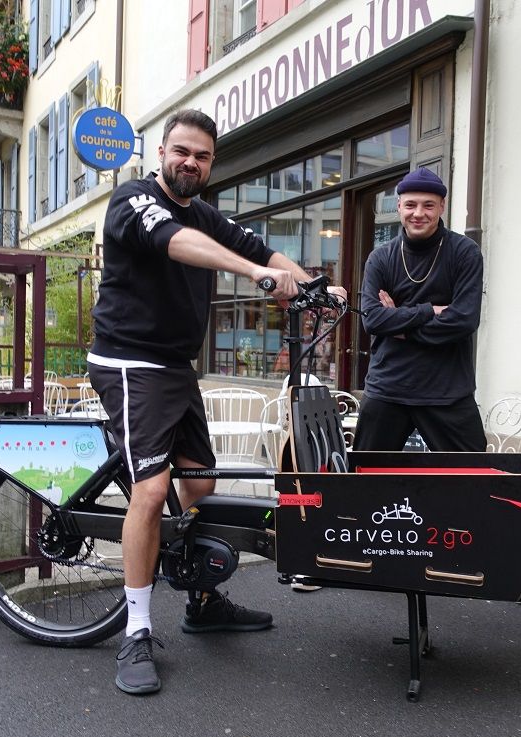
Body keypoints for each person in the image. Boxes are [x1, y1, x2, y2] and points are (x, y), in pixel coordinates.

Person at [87, 108, 345, 695]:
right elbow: (178, 244)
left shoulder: (205, 213)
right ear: (161, 153)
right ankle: (136, 630)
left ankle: (201, 601)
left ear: (211, 164)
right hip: (130, 363)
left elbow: (261, 249)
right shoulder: (134, 200)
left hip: (175, 369)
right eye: (181, 151)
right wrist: (254, 274)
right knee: (152, 489)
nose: (191, 162)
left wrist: (313, 287)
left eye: (202, 156)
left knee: (199, 484)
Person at [352, 167, 521, 618]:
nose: (419, 213)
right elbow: (372, 319)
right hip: (388, 388)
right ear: (398, 206)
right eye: (411, 204)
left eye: (428, 205)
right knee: (364, 482)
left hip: (447, 392)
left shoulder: (464, 253)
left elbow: (465, 320)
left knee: (483, 485)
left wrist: (402, 321)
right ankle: (339, 561)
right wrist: (430, 312)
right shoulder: (381, 257)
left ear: (442, 207)